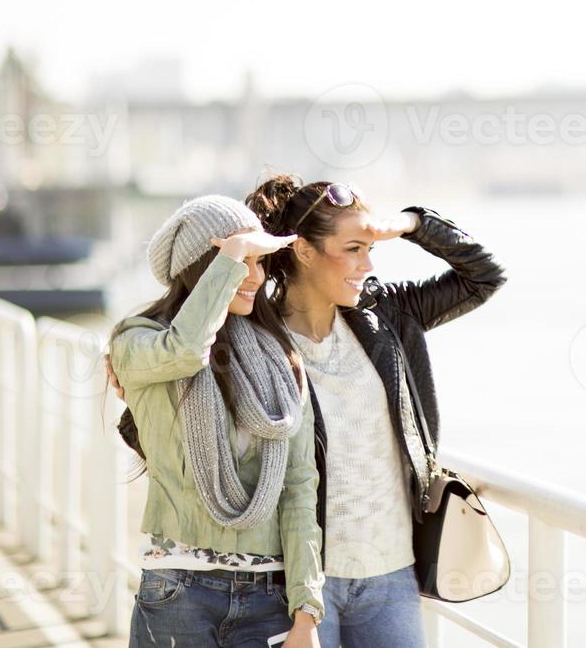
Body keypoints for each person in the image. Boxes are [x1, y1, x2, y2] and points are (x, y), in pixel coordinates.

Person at [111, 178, 508, 648]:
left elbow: (483, 276)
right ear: (302, 251)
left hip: (392, 572)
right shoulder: (256, 337)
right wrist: (134, 374)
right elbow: (172, 429)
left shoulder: (388, 316)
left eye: (371, 247)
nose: (369, 262)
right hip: (297, 575)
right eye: (354, 248)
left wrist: (408, 224)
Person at [107, 195, 325, 648]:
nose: (256, 276)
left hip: (268, 597)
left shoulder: (279, 356)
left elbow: (300, 488)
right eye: (242, 260)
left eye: (259, 262)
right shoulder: (139, 341)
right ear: (203, 266)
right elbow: (186, 352)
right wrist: (231, 256)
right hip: (178, 590)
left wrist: (306, 612)